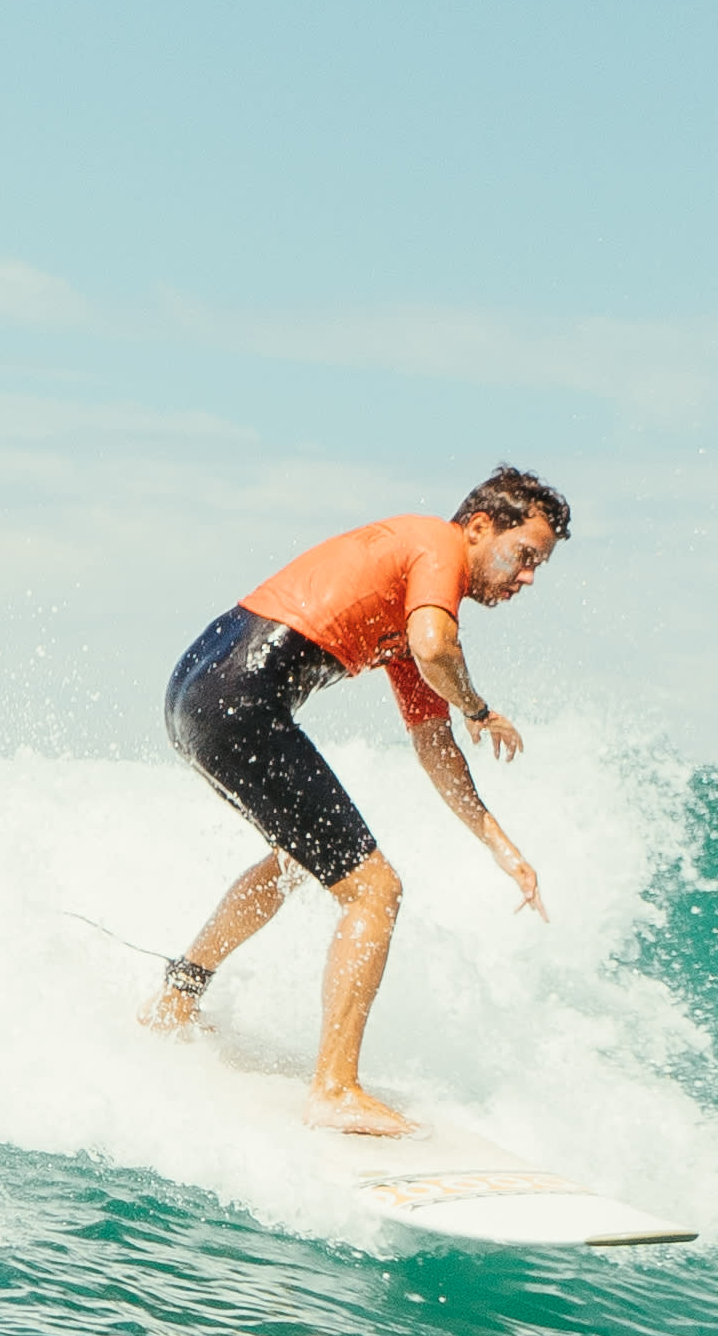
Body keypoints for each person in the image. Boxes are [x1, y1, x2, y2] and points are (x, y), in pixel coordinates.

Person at [145, 468, 570, 1135]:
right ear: (481, 527)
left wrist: (500, 845)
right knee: (376, 890)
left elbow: (435, 747)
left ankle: (177, 996)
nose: (528, 578)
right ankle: (335, 1089)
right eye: (525, 556)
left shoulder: (410, 611)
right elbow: (438, 649)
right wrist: (481, 710)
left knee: (295, 861)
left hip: (197, 695)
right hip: (240, 698)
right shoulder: (434, 549)